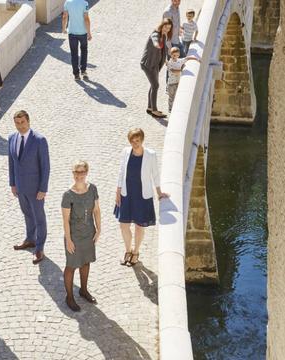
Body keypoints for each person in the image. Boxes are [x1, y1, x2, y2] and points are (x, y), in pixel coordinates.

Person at [115, 129, 169, 267]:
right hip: (127, 194)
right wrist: (118, 191)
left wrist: (159, 192)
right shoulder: (126, 152)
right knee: (123, 225)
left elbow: (155, 175)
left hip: (142, 196)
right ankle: (128, 250)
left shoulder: (150, 155)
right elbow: (121, 172)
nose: (135, 143)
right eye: (132, 141)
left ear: (142, 140)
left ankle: (136, 252)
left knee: (139, 226)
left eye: (137, 141)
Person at [8, 110, 50, 264]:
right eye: (17, 123)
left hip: (35, 188)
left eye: (23, 123)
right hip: (20, 187)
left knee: (39, 218)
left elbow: (45, 167)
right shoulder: (12, 138)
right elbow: (11, 163)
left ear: (28, 121)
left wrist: (43, 189)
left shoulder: (39, 140)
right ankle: (30, 239)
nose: (20, 126)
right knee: (26, 213)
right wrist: (12, 183)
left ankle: (39, 248)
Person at [61, 161, 101, 311]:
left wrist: (99, 229)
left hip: (88, 233)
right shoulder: (67, 195)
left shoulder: (93, 189)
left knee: (86, 262)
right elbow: (65, 220)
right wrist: (69, 240)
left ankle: (83, 290)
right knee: (71, 266)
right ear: (73, 174)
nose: (79, 175)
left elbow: (96, 210)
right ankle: (69, 297)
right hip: (74, 236)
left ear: (87, 172)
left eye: (82, 172)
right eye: (76, 172)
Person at [141, 18, 173, 118]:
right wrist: (156, 45)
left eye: (168, 28)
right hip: (148, 64)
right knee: (155, 85)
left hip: (155, 64)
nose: (166, 30)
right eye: (165, 27)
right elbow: (155, 40)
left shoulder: (164, 35)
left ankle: (150, 107)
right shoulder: (155, 34)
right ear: (161, 25)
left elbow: (164, 50)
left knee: (153, 84)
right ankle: (154, 110)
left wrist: (166, 60)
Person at [62, 0, 92, 80]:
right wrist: (89, 32)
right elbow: (86, 19)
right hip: (83, 33)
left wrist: (64, 28)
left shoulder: (67, 3)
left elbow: (65, 16)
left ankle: (76, 75)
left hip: (72, 32)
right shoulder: (85, 3)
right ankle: (83, 71)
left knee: (74, 53)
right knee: (84, 51)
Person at [166, 47, 200, 112]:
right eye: (173, 55)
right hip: (171, 83)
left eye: (177, 55)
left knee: (176, 96)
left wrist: (196, 58)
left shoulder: (179, 61)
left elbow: (187, 58)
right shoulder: (169, 63)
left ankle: (175, 107)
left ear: (178, 55)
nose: (175, 56)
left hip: (178, 82)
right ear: (171, 54)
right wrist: (182, 69)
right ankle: (170, 108)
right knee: (171, 97)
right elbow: (173, 71)